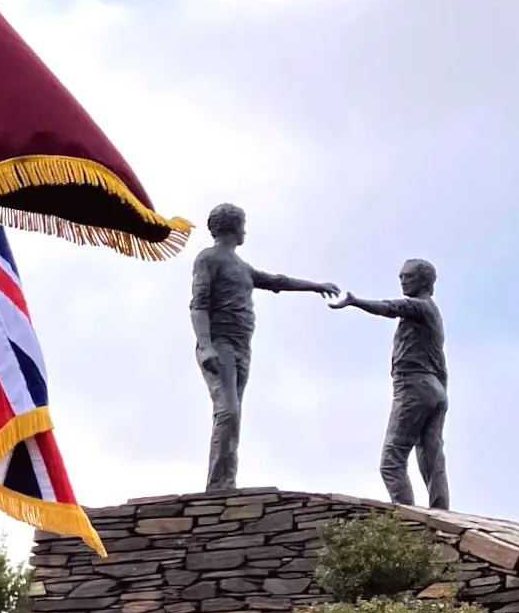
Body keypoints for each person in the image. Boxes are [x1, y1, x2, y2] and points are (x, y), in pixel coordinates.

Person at [188, 203, 337, 491]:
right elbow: (198, 304)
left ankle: (225, 480)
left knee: (234, 413)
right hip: (220, 345)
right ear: (233, 226)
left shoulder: (242, 266)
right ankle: (219, 486)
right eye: (243, 224)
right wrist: (205, 346)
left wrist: (316, 286)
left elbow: (277, 281)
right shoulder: (208, 259)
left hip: (242, 348)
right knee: (228, 412)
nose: (245, 230)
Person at [329, 259, 449, 509]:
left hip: (414, 387)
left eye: (407, 276)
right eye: (400, 276)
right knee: (431, 456)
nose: (402, 280)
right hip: (434, 389)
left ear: (423, 281)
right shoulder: (431, 312)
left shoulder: (420, 307)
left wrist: (356, 301)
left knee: (391, 460)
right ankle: (440, 511)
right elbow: (440, 362)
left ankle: (407, 520)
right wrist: (440, 397)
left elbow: (389, 307)